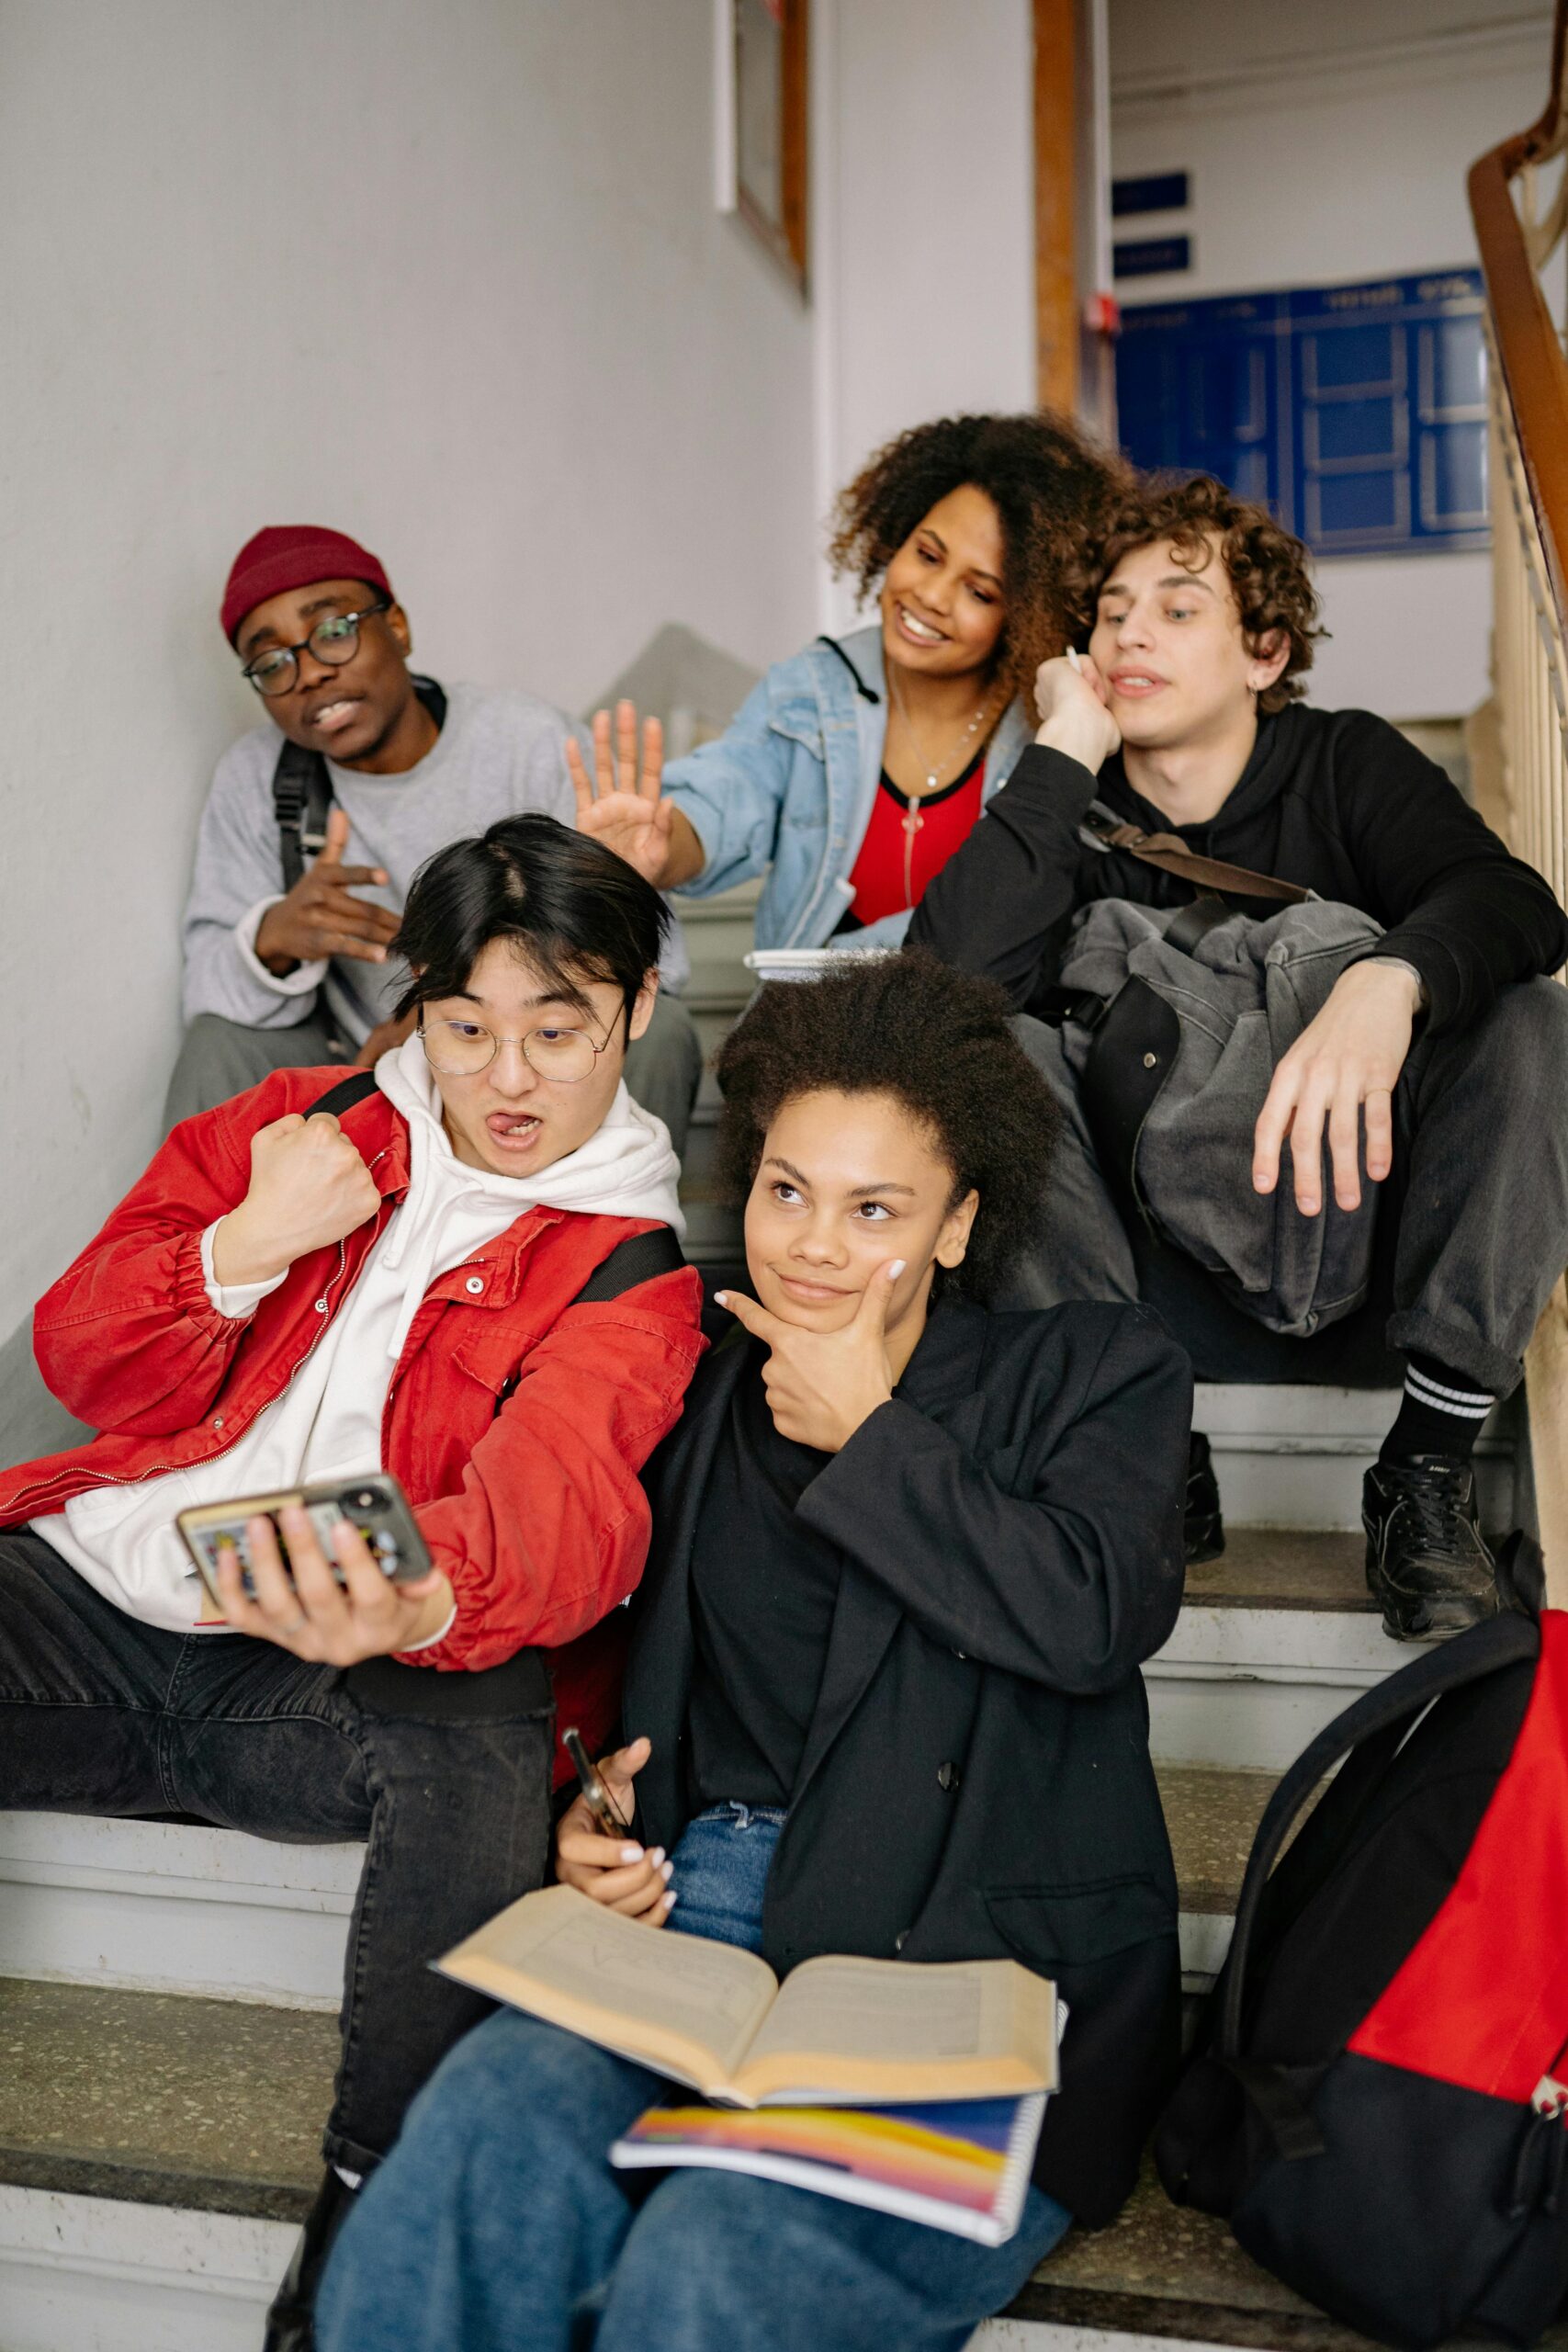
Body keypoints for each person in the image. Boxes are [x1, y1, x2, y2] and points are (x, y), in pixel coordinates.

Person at [316, 950, 1192, 2352]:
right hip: (694, 1916)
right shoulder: (703, 1382)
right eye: (786, 1191)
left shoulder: (1091, 1374)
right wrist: (588, 1813)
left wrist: (874, 1438)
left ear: (958, 1227)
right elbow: (603, 1629)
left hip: (958, 1949)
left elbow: (1089, 1614)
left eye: (873, 1209)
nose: (813, 1245)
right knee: (473, 2144)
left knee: (716, 2263)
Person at [0, 815, 706, 2349]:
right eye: (466, 1028)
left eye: (556, 1028)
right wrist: (239, 1248)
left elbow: (568, 1515)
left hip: (315, 1688)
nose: (507, 1080)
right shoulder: (291, 1127)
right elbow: (74, 1357)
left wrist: (420, 1598)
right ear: (421, 1010)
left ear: (638, 1012)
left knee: (478, 1723)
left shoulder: (626, 1269)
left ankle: (364, 2251)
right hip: (100, 1622)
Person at [910, 470, 1568, 1641]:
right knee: (984, 1049)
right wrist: (1062, 746)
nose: (1130, 635)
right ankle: (1144, 1432)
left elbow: (1511, 902)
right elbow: (944, 985)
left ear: (1264, 653)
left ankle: (1423, 1472)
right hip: (1151, 1269)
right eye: (1110, 612)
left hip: (1364, 1239)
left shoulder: (1342, 763)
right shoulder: (1076, 802)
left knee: (1532, 1020)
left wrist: (1389, 978)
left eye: (1177, 607)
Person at [164, 524, 703, 1152]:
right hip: (353, 1057)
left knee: (659, 1031)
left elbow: (659, 966)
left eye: (333, 631)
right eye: (272, 661)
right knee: (217, 1042)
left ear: (397, 627)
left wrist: (439, 1026)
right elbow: (204, 986)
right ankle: (184, 1250)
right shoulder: (257, 777)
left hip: (524, 1047)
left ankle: (621, 1239)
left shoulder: (525, 742)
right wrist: (273, 940)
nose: (307, 673)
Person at [571, 413, 1122, 950]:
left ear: (1026, 617)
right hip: (804, 1032)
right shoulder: (812, 690)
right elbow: (728, 796)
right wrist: (663, 850)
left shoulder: (1043, 733)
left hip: (970, 1034)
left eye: (979, 592)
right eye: (927, 555)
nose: (931, 595)